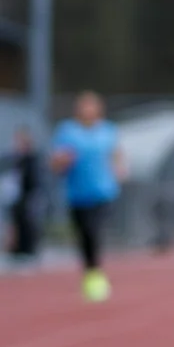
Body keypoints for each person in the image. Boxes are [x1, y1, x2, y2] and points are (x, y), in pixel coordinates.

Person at [50, 92, 124, 302]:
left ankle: (95, 273)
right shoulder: (67, 131)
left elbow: (116, 153)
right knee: (83, 235)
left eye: (91, 106)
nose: (87, 110)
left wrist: (119, 168)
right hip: (76, 193)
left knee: (94, 230)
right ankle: (91, 271)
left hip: (103, 191)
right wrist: (62, 161)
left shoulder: (108, 131)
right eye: (84, 106)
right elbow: (55, 163)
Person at [6, 125, 41, 264]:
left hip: (29, 195)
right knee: (17, 222)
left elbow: (35, 179)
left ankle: (29, 251)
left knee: (28, 222)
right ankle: (18, 250)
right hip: (16, 196)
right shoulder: (15, 159)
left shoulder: (32, 159)